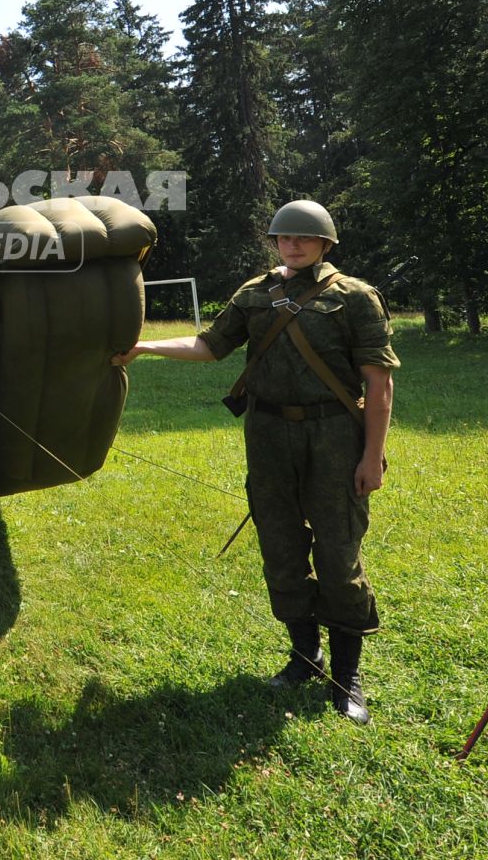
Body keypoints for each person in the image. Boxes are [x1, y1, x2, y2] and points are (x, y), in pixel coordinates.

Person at [117, 200, 398, 724]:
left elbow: (379, 384)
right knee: (281, 551)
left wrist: (372, 455)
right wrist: (143, 346)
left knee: (339, 557)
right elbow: (208, 347)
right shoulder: (255, 294)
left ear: (325, 243)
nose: (293, 245)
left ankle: (347, 677)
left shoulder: (355, 298)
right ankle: (304, 658)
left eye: (304, 238)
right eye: (284, 238)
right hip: (268, 436)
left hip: (334, 437)